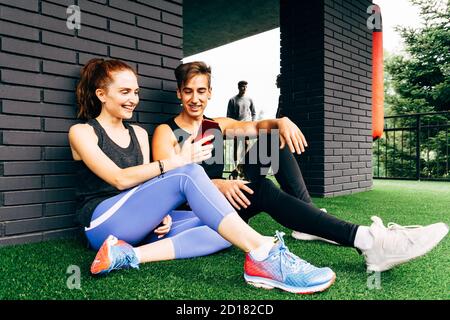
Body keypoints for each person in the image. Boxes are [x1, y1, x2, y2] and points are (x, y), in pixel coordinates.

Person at [69, 58, 337, 295]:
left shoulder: (138, 133)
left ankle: (127, 255)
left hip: (133, 227)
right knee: (188, 172)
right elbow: (119, 179)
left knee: (222, 228)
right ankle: (262, 252)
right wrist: (179, 161)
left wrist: (157, 211)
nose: (133, 99)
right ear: (101, 94)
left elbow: (145, 184)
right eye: (125, 91)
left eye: (136, 92)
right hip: (100, 223)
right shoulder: (82, 132)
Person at [152, 61, 448, 273]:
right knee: (263, 189)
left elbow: (255, 125)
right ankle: (368, 241)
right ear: (179, 93)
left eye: (201, 91)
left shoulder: (216, 124)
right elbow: (166, 186)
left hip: (226, 197)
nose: (195, 98)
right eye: (188, 91)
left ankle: (308, 222)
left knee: (271, 140)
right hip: (201, 212)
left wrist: (281, 122)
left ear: (210, 92)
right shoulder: (166, 132)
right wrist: (217, 185)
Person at [227, 81, 257, 177]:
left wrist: (252, 122)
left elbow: (254, 112)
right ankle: (235, 167)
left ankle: (243, 166)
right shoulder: (233, 100)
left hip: (247, 126)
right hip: (236, 126)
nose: (244, 89)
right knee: (236, 146)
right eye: (242, 87)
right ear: (238, 87)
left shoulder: (250, 99)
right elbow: (228, 115)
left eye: (245, 87)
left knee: (246, 145)